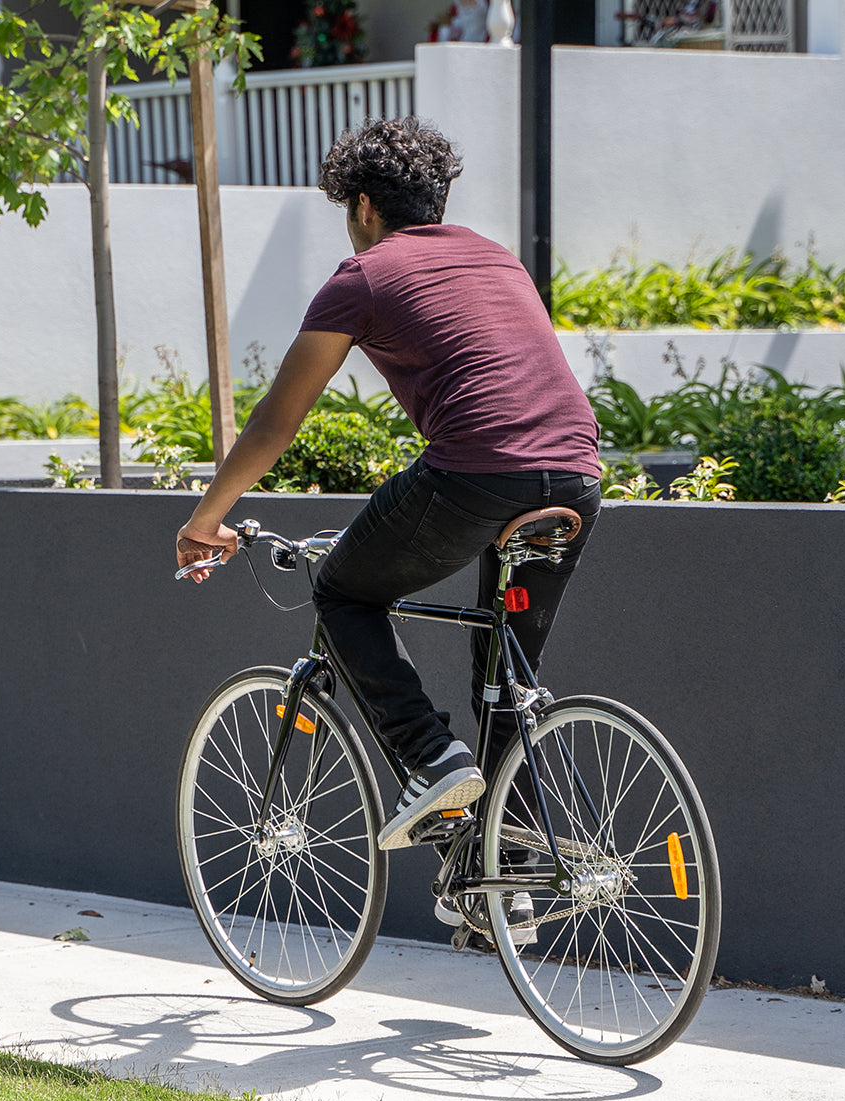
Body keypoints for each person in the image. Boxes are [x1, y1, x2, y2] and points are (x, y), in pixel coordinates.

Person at [176, 116, 601, 863]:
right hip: (575, 473)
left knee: (343, 590)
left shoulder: (365, 276)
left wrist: (207, 517)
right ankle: (508, 873)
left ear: (364, 205)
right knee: (505, 685)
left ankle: (432, 760)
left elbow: (277, 424)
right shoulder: (498, 261)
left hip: (476, 473)